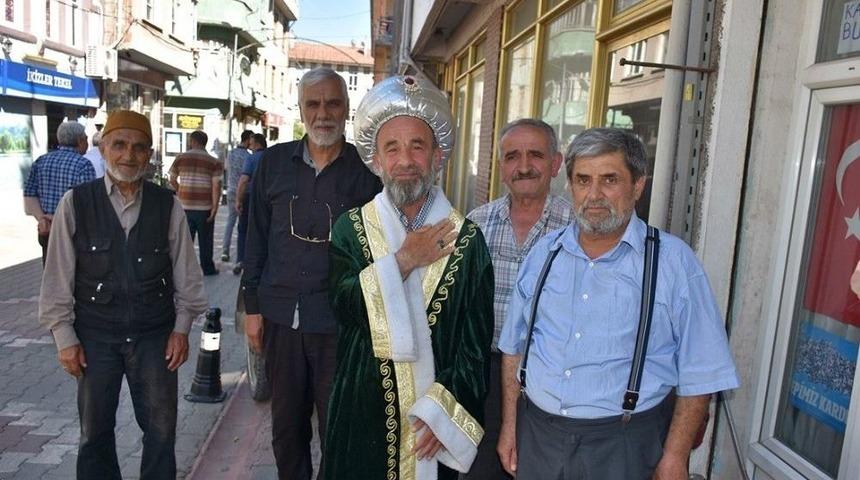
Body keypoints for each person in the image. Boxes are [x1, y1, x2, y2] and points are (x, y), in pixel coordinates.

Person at [497, 128, 740, 479]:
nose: (594, 194)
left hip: (623, 446)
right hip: (538, 438)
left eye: (609, 179)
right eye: (583, 180)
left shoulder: (673, 263)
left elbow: (700, 372)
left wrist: (674, 457)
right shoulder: (544, 255)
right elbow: (513, 350)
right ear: (570, 185)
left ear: (637, 186)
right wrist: (510, 426)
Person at [325, 75, 495, 480]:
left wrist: (443, 414)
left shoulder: (468, 241)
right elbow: (343, 306)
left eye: (417, 146)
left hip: (428, 428)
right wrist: (402, 260)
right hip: (359, 416)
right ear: (376, 160)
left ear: (438, 156)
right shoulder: (351, 228)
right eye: (392, 148)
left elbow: (474, 348)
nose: (405, 160)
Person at [38, 110, 208, 479]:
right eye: (119, 145)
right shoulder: (77, 203)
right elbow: (57, 278)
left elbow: (187, 275)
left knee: (161, 433)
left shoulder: (167, 205)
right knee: (95, 435)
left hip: (155, 337)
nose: (128, 155)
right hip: (95, 337)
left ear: (149, 155)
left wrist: (182, 329)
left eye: (138, 147)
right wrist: (64, 338)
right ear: (102, 148)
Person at [241, 67, 382, 480]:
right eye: (314, 104)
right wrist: (252, 309)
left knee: (338, 429)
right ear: (301, 109)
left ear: (346, 109)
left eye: (333, 103)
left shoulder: (367, 173)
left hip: (340, 325)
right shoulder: (272, 163)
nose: (324, 113)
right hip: (281, 319)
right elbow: (256, 240)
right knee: (286, 429)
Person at [464, 118, 571, 479]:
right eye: (512, 156)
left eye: (536, 155)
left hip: (554, 381)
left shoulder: (578, 228)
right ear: (501, 167)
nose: (524, 166)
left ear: (556, 163)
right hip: (487, 380)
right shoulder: (475, 225)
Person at [23, 121, 95, 264]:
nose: (87, 142)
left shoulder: (41, 161)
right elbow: (86, 205)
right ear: (80, 141)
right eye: (86, 138)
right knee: (71, 276)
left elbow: (29, 194)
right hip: (72, 232)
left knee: (50, 272)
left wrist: (42, 219)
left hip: (46, 230)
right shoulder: (83, 165)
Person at [169, 130, 223, 275]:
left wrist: (180, 191)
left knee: (185, 240)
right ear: (205, 142)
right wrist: (215, 208)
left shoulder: (181, 158)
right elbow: (216, 186)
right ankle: (207, 268)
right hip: (204, 207)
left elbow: (172, 179)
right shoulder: (214, 162)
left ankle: (183, 269)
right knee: (206, 240)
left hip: (184, 206)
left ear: (192, 141)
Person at [233, 133, 267, 275]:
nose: (250, 146)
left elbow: (243, 180)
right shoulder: (272, 157)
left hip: (250, 198)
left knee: (244, 229)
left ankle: (241, 260)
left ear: (258, 144)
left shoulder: (251, 158)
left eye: (252, 143)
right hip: (268, 199)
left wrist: (238, 200)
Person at [221, 129, 253, 263]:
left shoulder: (231, 153)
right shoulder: (248, 156)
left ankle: (225, 251)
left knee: (230, 221)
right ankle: (242, 255)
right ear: (247, 140)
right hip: (243, 192)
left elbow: (226, 168)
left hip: (231, 189)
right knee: (243, 224)